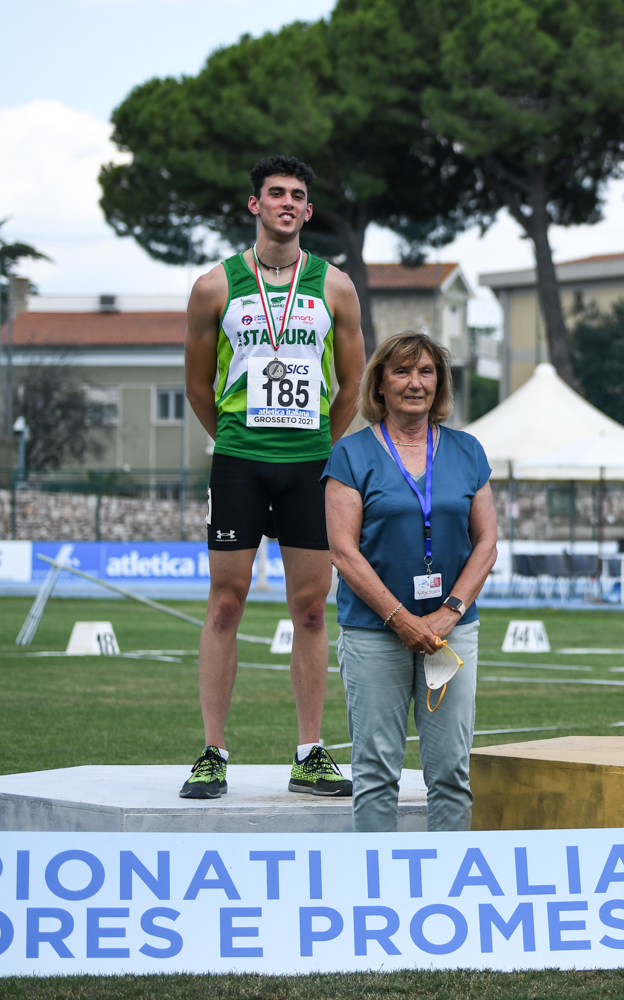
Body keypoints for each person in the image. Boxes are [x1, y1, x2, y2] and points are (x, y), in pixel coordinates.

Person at [181, 155, 366, 799]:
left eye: (297, 195)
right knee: (225, 604)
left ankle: (310, 754)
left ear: (308, 211)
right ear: (254, 205)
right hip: (239, 462)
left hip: (309, 465)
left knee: (311, 610)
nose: (287, 202)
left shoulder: (335, 286)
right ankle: (212, 753)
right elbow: (197, 385)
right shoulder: (215, 286)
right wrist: (235, 440)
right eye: (276, 193)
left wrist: (320, 447)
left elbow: (351, 386)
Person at [324, 332, 498, 831]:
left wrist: (450, 612)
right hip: (374, 631)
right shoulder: (351, 454)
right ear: (380, 383)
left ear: (439, 382)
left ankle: (448, 875)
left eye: (426, 371)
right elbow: (343, 551)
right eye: (401, 371)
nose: (415, 383)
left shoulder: (467, 451)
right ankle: (377, 876)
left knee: (451, 772)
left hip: (451, 630)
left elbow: (487, 543)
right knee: (376, 773)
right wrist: (401, 619)